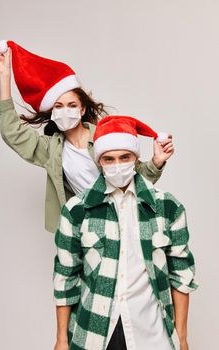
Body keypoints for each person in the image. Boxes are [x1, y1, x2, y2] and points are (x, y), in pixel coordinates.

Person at [0, 40, 174, 233]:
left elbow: (137, 178)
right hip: (87, 230)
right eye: (58, 106)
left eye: (71, 105)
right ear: (51, 112)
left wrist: (157, 162)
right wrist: (4, 76)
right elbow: (13, 133)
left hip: (126, 221)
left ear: (82, 108)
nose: (65, 111)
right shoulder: (51, 150)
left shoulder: (105, 137)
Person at [53, 116, 198, 350]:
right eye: (109, 159)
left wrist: (181, 336)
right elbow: (65, 277)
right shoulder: (76, 211)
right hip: (93, 333)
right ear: (99, 160)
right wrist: (61, 339)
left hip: (151, 333)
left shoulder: (168, 207)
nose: (117, 164)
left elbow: (181, 275)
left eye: (124, 157)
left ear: (136, 158)